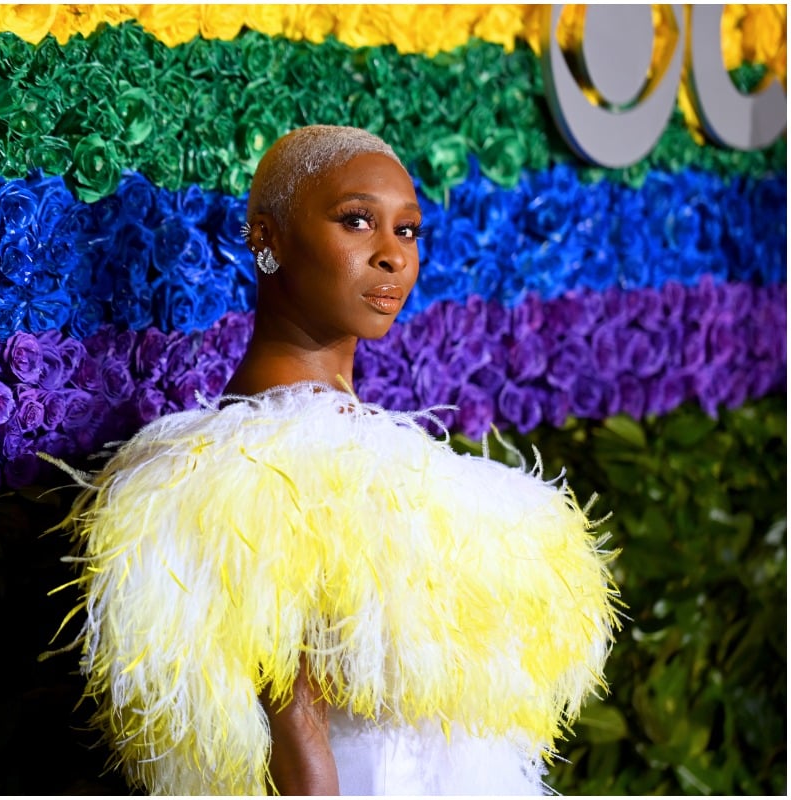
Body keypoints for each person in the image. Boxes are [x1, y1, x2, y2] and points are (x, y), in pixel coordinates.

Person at [53, 125, 619, 795]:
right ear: (267, 238)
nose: (392, 257)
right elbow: (289, 717)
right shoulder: (259, 466)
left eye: (407, 231)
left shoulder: (352, 445)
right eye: (357, 221)